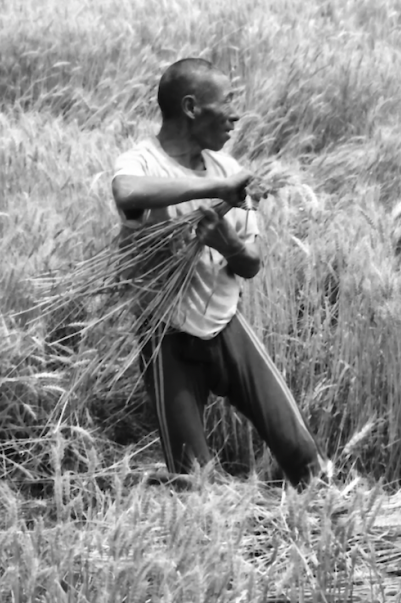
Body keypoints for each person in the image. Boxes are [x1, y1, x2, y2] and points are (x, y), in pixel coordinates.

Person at [110, 58, 331, 488]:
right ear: (191, 107)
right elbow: (126, 192)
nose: (235, 115)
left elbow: (251, 264)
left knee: (299, 450)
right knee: (192, 479)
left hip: (227, 324)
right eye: (226, 103)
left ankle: (327, 512)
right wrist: (215, 191)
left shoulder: (228, 169)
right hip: (165, 333)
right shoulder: (143, 162)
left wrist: (226, 243)